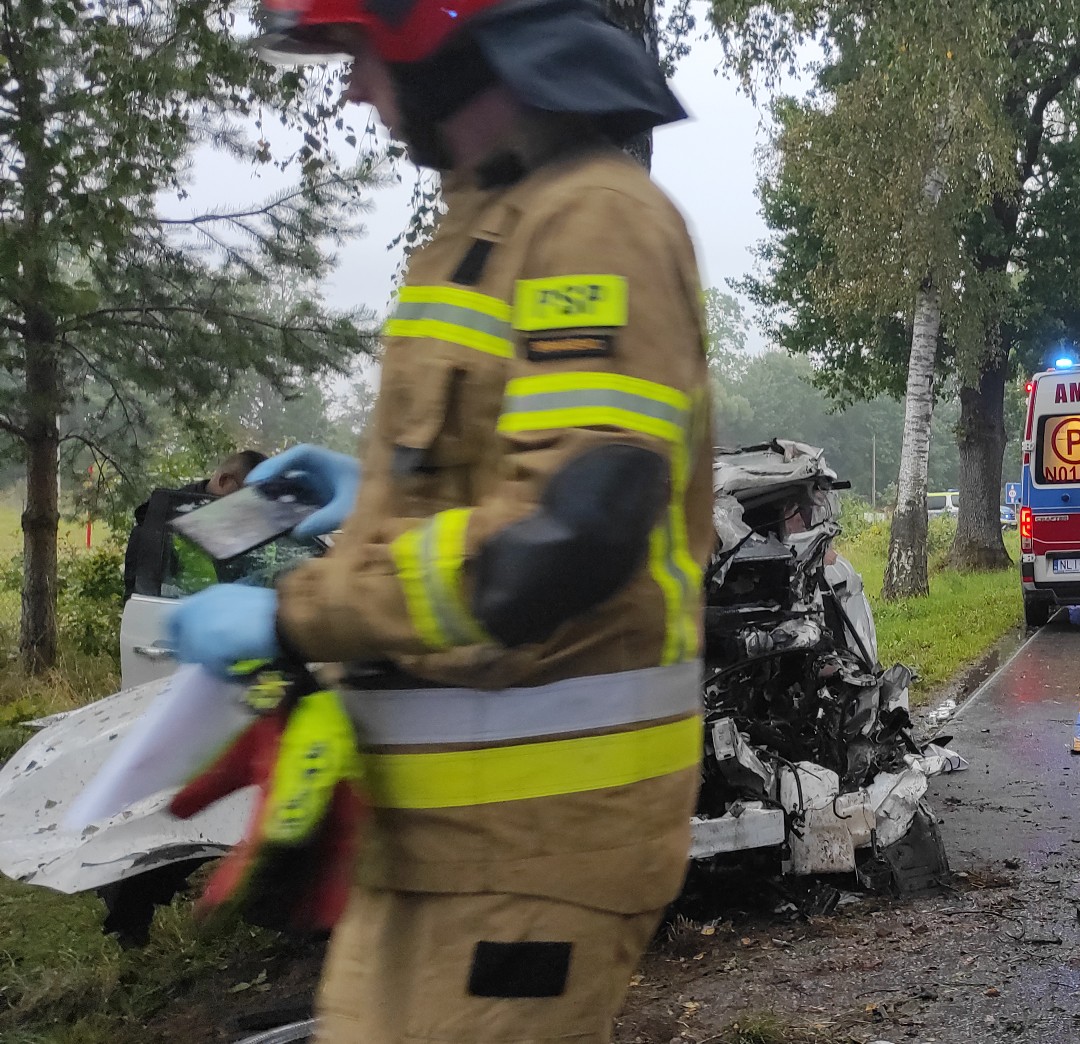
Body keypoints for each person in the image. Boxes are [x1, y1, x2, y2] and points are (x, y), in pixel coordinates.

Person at [167, 0, 709, 1038]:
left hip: (535, 849)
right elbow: (497, 466)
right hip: (426, 842)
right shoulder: (486, 224)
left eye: (358, 51)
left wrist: (294, 615)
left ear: (437, 33)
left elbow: (571, 533)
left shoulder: (593, 220)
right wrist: (373, 494)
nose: (350, 86)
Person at [122, 450, 269, 599]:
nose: (252, 513)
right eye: (248, 499)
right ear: (224, 481)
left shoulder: (256, 536)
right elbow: (140, 605)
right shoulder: (159, 527)